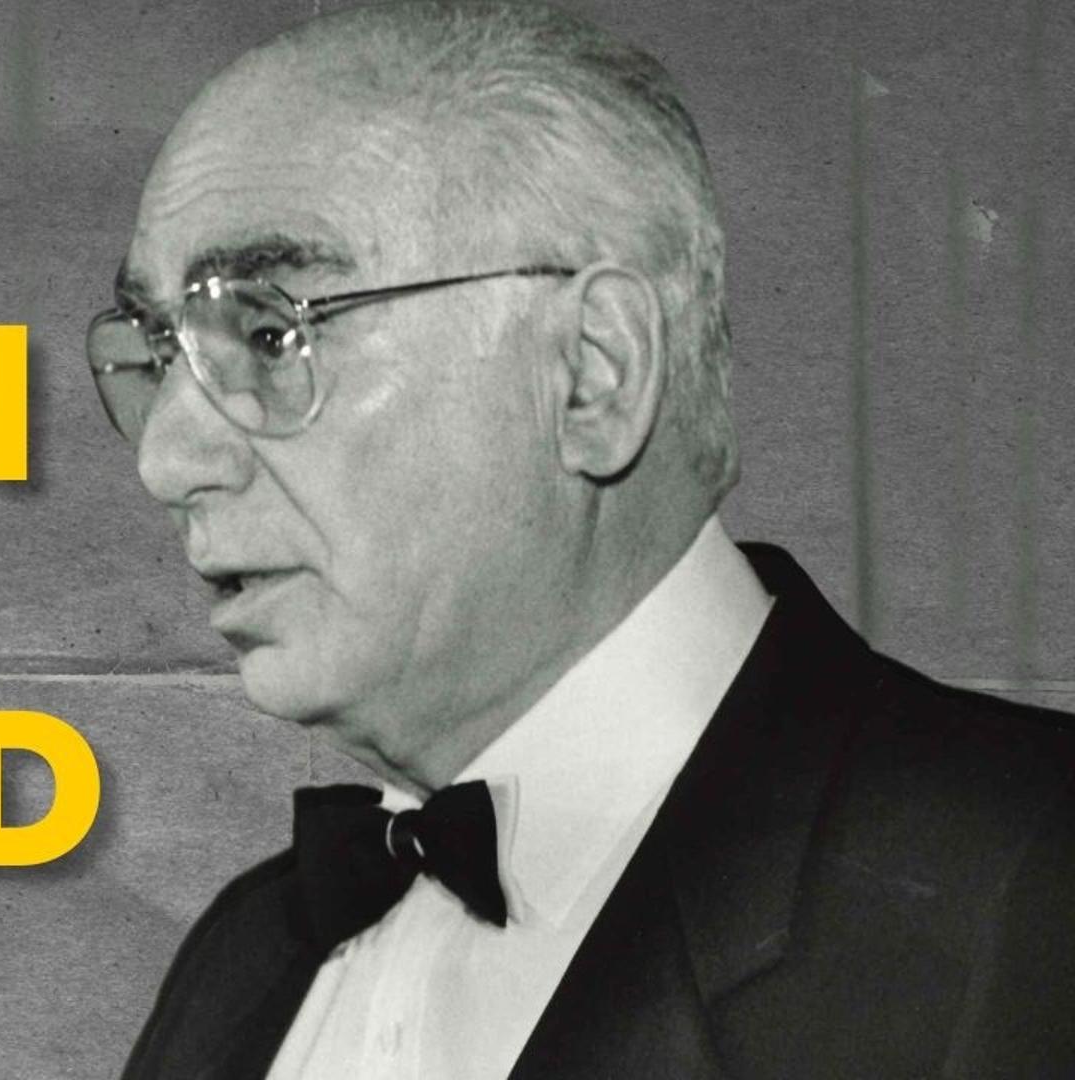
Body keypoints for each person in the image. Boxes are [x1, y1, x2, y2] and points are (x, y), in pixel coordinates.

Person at [84, 3, 1075, 1077]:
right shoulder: (240, 957)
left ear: (593, 372)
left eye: (272, 334)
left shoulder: (1031, 877)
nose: (166, 461)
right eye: (157, 353)